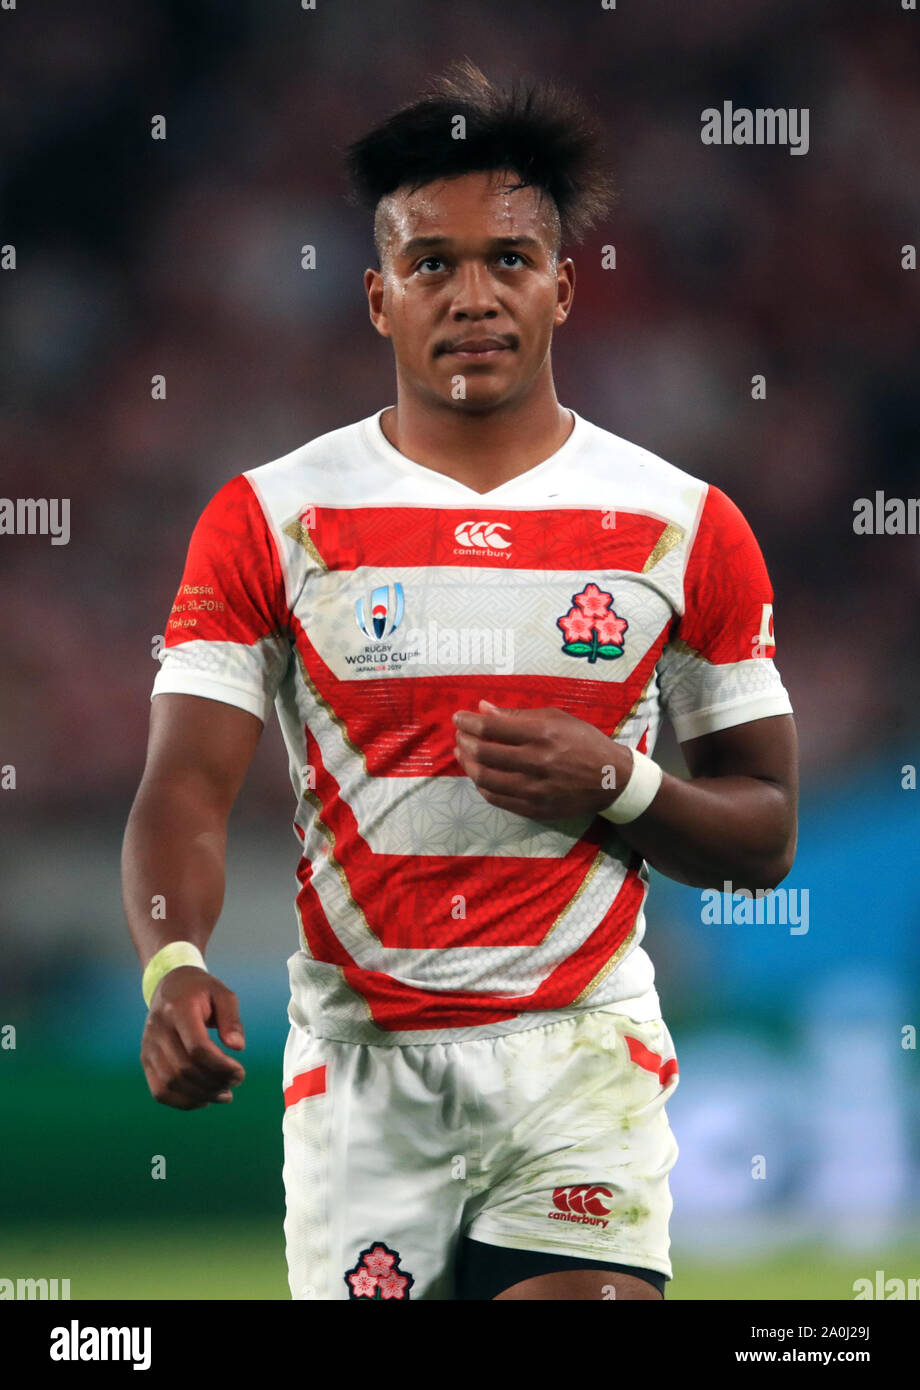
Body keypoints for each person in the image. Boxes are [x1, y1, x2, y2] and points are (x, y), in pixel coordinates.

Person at [121, 60, 798, 1302]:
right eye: (432, 263)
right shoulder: (270, 518)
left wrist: (619, 781)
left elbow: (761, 835)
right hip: (364, 1071)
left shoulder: (680, 524)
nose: (473, 294)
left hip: (578, 1057)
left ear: (562, 287)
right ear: (377, 298)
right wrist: (172, 963)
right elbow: (183, 789)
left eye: (508, 259)